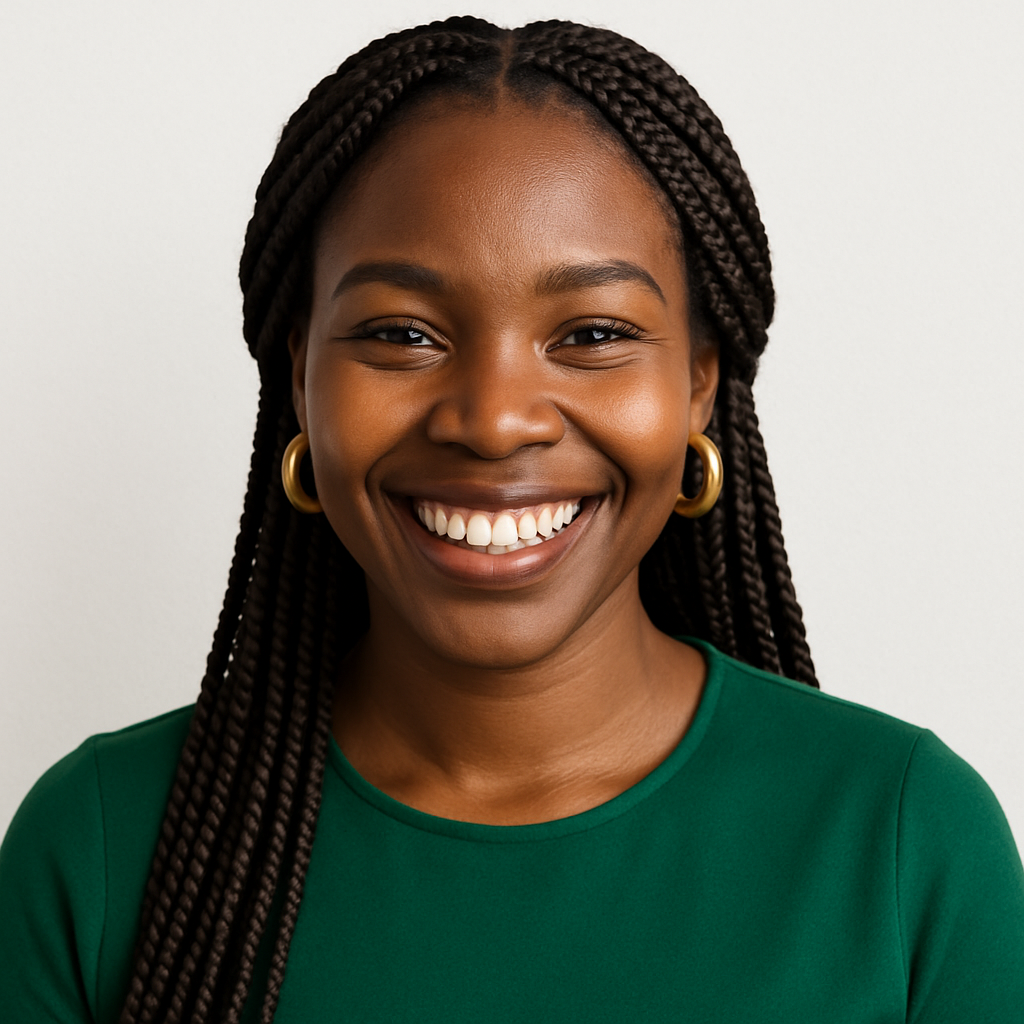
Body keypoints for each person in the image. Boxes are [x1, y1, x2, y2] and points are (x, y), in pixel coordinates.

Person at [1, 15, 1021, 1023]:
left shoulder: (901, 841)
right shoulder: (97, 848)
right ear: (300, 378)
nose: (493, 421)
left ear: (700, 383)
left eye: (590, 333)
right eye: (401, 333)